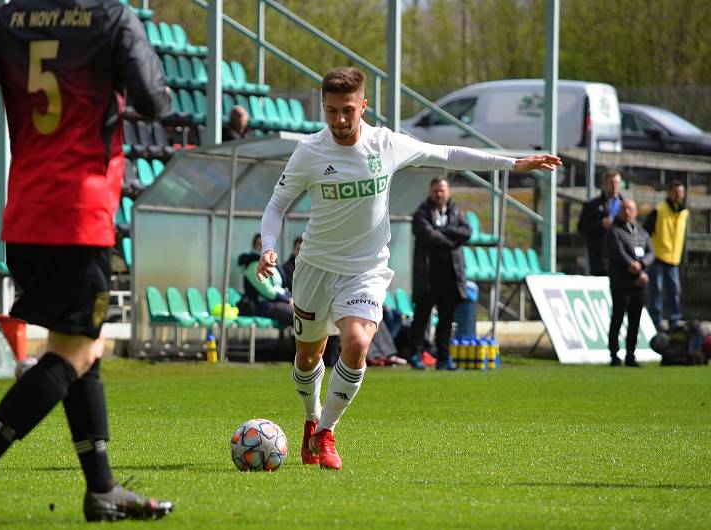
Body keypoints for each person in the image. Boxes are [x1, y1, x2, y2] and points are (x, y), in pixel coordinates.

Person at [0, 0, 174, 524]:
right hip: (79, 211)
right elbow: (154, 102)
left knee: (80, 346)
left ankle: (102, 489)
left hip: (24, 213)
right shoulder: (111, 17)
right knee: (76, 350)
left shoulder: (4, 18)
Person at [257, 66, 561, 470]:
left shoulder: (386, 144)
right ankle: (311, 421)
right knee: (309, 357)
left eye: (348, 110)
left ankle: (327, 432)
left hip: (365, 268)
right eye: (331, 111)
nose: (340, 120)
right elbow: (277, 206)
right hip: (315, 266)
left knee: (357, 343)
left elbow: (448, 154)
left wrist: (512, 164)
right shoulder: (310, 152)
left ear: (363, 105)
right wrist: (270, 248)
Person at [409, 176, 472, 370]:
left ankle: (444, 358)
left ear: (448, 192)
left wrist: (445, 229)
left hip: (450, 276)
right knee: (421, 318)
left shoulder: (455, 211)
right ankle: (415, 355)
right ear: (430, 191)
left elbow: (467, 232)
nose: (439, 193)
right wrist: (451, 242)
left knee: (446, 320)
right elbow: (427, 234)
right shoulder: (421, 212)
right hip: (428, 276)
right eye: (435, 190)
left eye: (442, 190)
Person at [605, 199, 654, 367]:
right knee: (617, 318)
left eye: (630, 209)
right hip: (621, 282)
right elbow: (618, 253)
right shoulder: (614, 231)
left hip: (638, 284)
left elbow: (650, 252)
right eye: (624, 209)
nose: (627, 212)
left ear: (636, 212)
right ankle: (614, 354)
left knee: (635, 321)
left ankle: (631, 354)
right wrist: (632, 266)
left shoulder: (641, 232)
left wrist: (642, 265)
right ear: (619, 211)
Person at [643, 180, 688, 330]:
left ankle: (674, 321)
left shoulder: (683, 212)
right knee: (656, 290)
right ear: (669, 192)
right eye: (676, 192)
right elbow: (646, 231)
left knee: (675, 291)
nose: (678, 195)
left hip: (674, 259)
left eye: (681, 192)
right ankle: (656, 321)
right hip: (658, 257)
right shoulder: (659, 210)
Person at [237, 233, 294, 327]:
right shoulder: (253, 265)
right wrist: (287, 300)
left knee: (303, 314)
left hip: (278, 302)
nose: (262, 248)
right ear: (254, 246)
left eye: (264, 245)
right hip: (262, 305)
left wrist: (291, 299)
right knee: (295, 316)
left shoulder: (273, 264)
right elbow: (267, 291)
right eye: (259, 245)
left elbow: (282, 286)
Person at [578, 170, 624, 275]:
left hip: (621, 255)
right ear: (604, 184)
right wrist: (600, 224)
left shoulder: (625, 206)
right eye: (611, 182)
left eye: (617, 183)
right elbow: (582, 227)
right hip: (600, 255)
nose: (614, 185)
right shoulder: (592, 205)